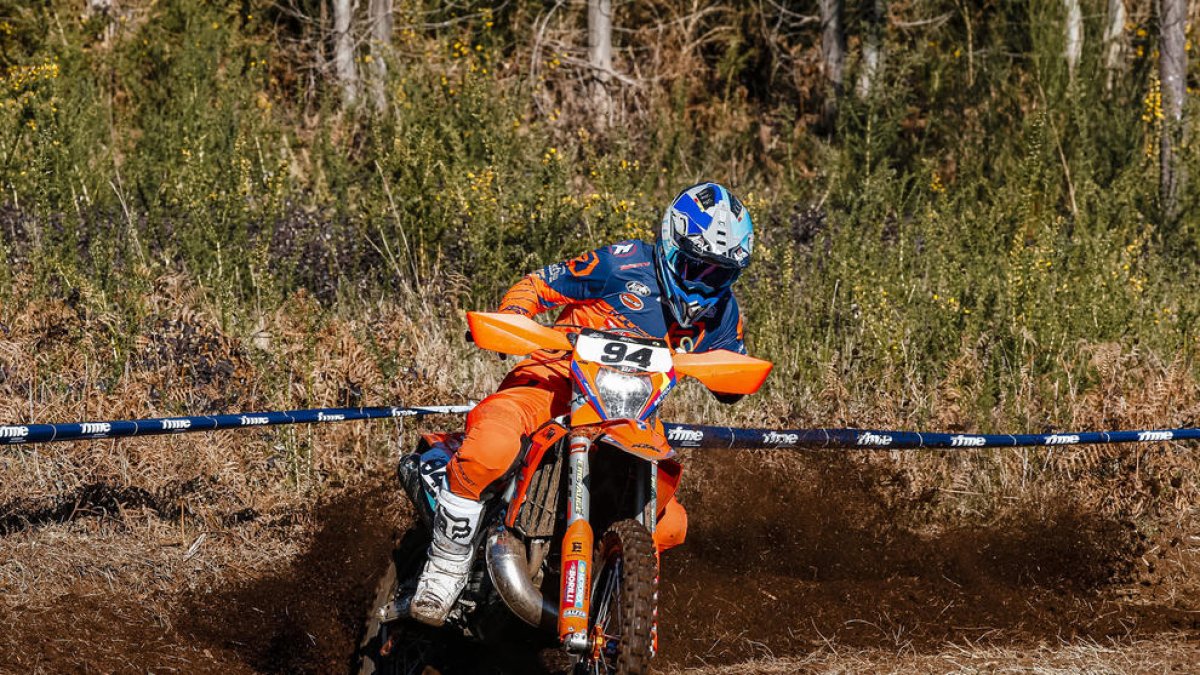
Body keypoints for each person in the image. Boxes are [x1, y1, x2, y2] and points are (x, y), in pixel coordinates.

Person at [411, 182, 755, 627]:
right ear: (672, 244)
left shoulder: (723, 311)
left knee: (669, 524)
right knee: (490, 448)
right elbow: (541, 284)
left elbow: (731, 373)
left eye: (719, 274)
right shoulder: (621, 262)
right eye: (695, 267)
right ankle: (445, 567)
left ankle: (610, 597)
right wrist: (513, 316)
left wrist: (734, 377)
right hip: (554, 380)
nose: (704, 283)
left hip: (631, 408)